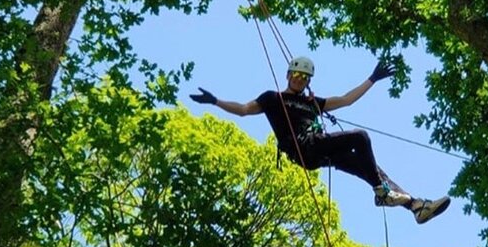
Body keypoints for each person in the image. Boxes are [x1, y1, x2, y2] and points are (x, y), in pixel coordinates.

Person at [189, 56, 450, 224]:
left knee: (367, 166)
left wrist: (372, 79)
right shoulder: (273, 98)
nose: (299, 80)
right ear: (288, 75)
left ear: (308, 81)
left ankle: (414, 205)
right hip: (304, 148)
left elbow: (346, 99)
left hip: (320, 151)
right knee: (361, 137)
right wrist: (215, 101)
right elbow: (244, 110)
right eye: (296, 75)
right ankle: (383, 194)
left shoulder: (314, 102)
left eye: (305, 78)